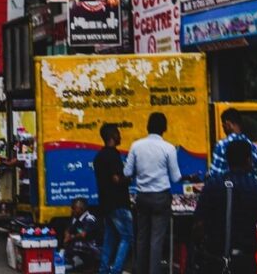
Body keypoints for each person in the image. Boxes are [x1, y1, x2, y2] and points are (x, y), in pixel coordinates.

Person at [193, 140, 257, 274]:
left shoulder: (212, 185)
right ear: (249, 160)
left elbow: (199, 224)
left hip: (214, 260)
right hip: (245, 262)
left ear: (227, 159)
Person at [124, 112, 181, 274]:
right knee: (156, 239)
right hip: (161, 198)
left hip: (142, 197)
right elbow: (176, 177)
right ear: (164, 128)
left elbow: (127, 172)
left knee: (142, 237)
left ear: (148, 126)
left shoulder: (136, 146)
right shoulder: (169, 148)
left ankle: (140, 270)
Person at [93, 124, 132, 274]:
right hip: (119, 203)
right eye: (118, 134)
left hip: (106, 203)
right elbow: (116, 179)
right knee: (127, 237)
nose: (120, 137)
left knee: (110, 238)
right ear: (112, 137)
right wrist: (129, 178)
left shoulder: (98, 157)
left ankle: (103, 269)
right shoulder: (113, 155)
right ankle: (116, 270)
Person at [210, 108, 257, 179]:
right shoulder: (253, 146)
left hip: (228, 188)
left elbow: (215, 175)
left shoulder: (221, 145)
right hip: (250, 188)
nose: (224, 129)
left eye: (223, 126)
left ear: (228, 124)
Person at [63, 198, 100, 270]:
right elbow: (69, 229)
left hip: (93, 246)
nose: (72, 210)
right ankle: (76, 261)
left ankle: (89, 264)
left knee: (75, 243)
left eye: (74, 208)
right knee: (70, 243)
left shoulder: (89, 219)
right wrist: (66, 235)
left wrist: (70, 237)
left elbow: (83, 234)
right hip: (84, 244)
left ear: (81, 209)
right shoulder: (76, 218)